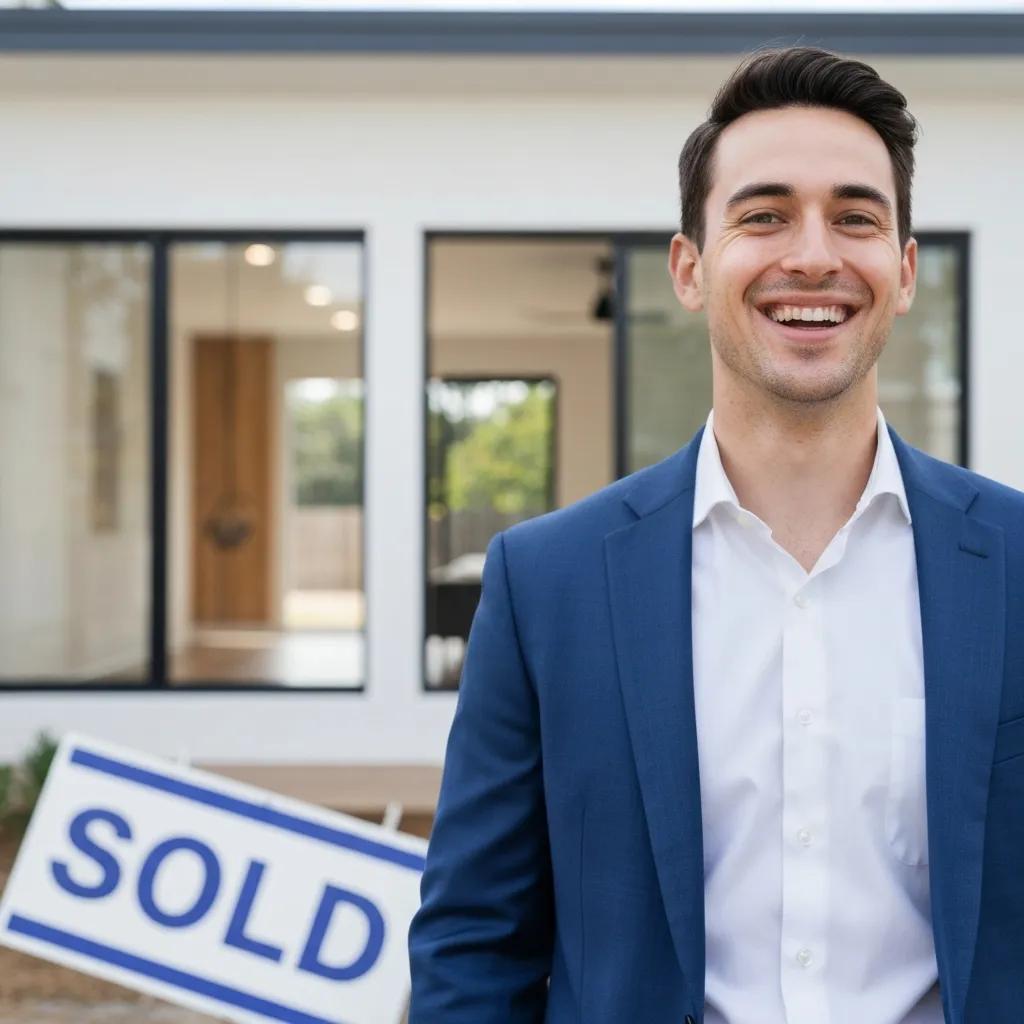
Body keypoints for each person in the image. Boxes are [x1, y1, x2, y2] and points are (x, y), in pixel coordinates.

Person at [407, 46, 1024, 1023]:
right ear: (690, 268)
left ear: (903, 273)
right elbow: (475, 946)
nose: (813, 255)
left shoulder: (1017, 565)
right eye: (764, 214)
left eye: (855, 217)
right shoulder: (546, 583)